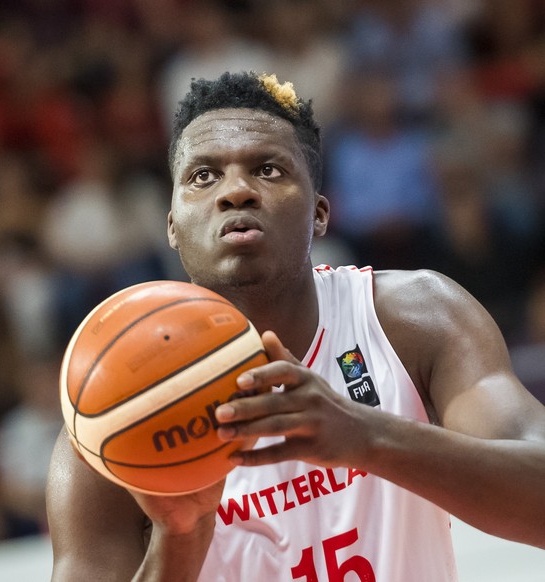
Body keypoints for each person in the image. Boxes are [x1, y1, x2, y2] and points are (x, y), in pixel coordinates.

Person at [46, 71, 545, 581]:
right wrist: (181, 537)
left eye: (267, 170)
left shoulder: (415, 316)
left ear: (321, 214)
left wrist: (369, 438)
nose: (235, 191)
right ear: (171, 223)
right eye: (203, 176)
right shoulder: (111, 413)